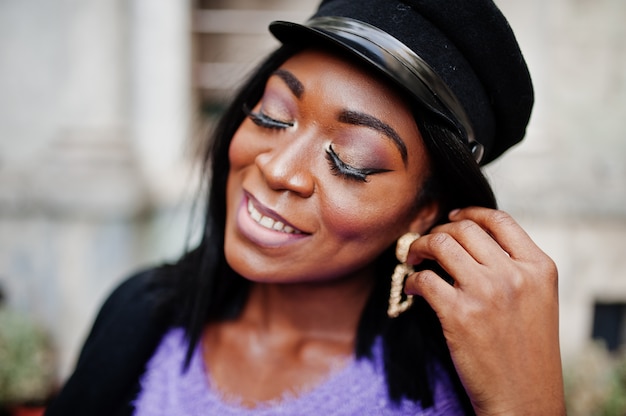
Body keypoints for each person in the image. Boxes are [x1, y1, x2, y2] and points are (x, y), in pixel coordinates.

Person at [45, 0, 565, 415]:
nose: (278, 169)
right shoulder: (140, 314)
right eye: (273, 116)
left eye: (351, 161)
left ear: (422, 212)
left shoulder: (456, 390)